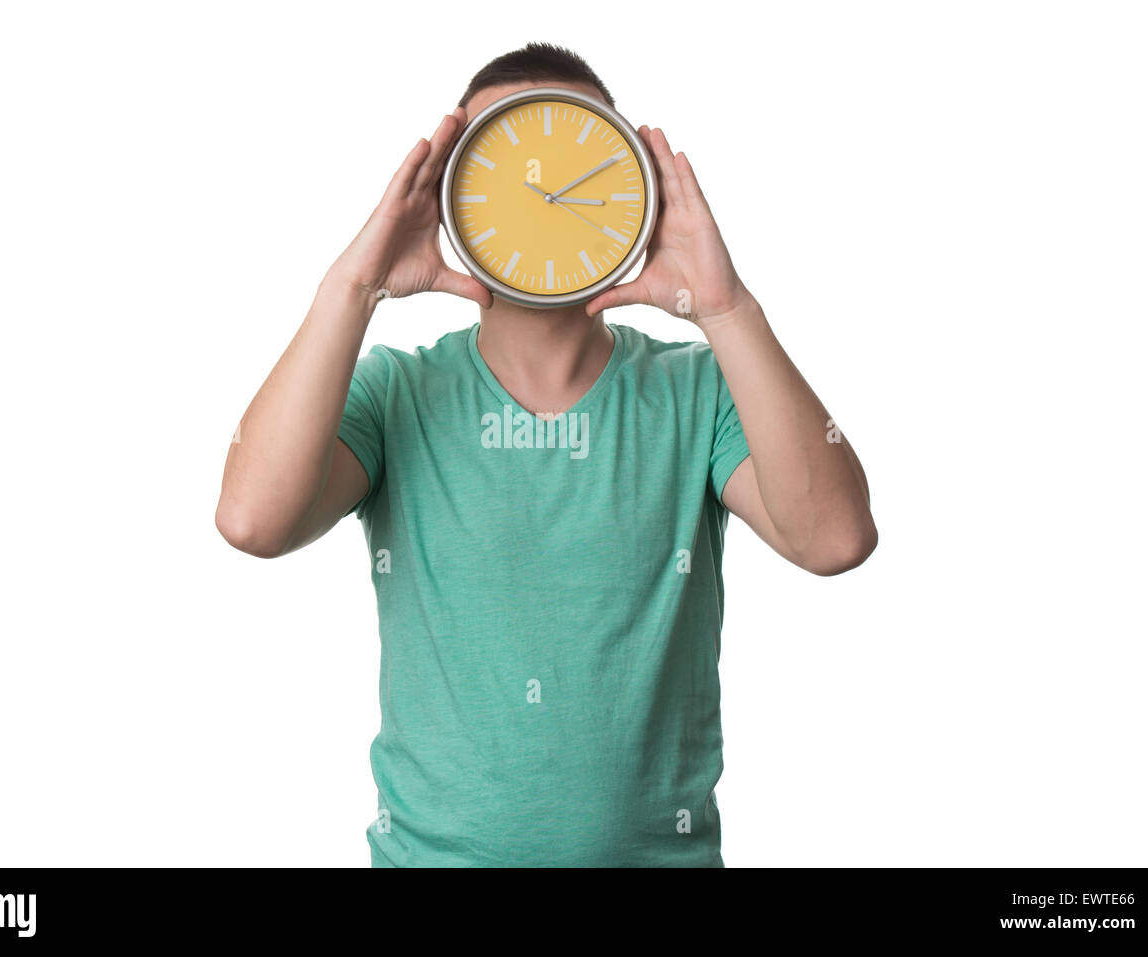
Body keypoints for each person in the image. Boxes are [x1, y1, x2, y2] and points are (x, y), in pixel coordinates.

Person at [215, 42, 877, 867]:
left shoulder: (700, 391)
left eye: (578, 165)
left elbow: (837, 539)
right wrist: (354, 287)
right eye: (497, 164)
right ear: (452, 201)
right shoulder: (394, 395)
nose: (542, 193)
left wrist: (725, 307)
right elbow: (250, 519)